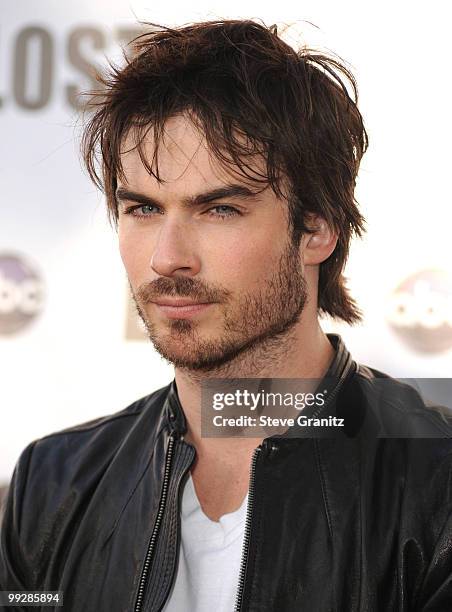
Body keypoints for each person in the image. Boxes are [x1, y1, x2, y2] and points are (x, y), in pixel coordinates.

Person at [1, 18, 452, 612]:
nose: (168, 258)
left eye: (218, 210)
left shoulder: (437, 480)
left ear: (316, 228)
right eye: (141, 208)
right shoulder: (52, 484)